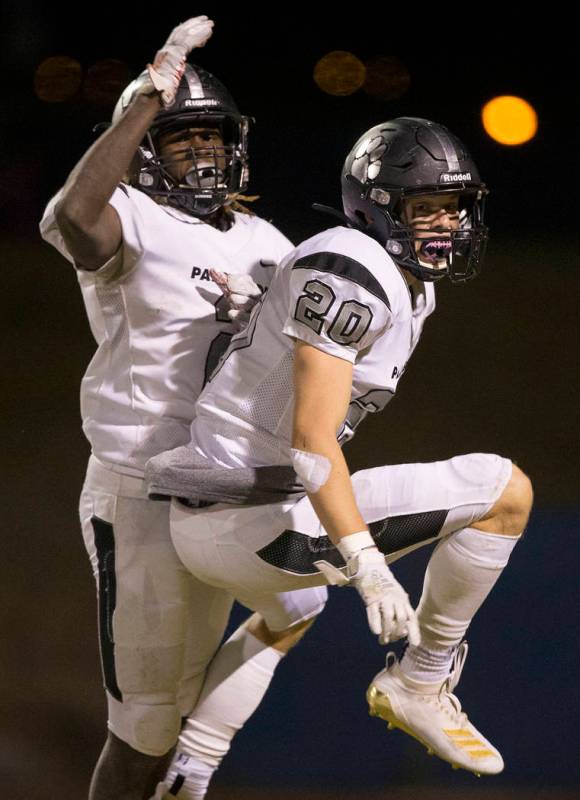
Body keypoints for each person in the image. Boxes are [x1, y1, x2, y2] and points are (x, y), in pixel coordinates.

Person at [146, 116, 534, 779]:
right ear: (377, 207)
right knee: (504, 492)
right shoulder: (354, 267)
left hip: (222, 515)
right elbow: (311, 437)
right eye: (425, 209)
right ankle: (421, 680)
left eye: (453, 208)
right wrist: (365, 561)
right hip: (248, 517)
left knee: (294, 608)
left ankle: (190, 772)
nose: (444, 226)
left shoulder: (401, 283)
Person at [39, 17, 326, 800]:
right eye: (177, 139)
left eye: (210, 137)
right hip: (141, 495)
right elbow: (73, 220)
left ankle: (201, 757)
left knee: (302, 596)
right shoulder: (131, 217)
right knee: (143, 729)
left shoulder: (268, 237)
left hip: (229, 487)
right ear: (143, 152)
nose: (200, 152)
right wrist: (143, 100)